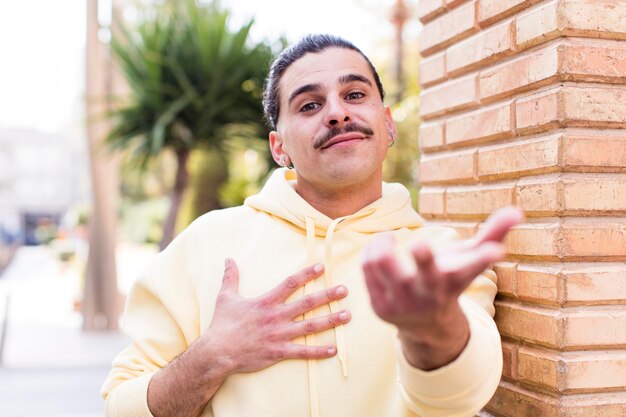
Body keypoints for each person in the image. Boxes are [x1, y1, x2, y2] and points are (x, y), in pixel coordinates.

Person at [101, 34, 524, 417]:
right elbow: (121, 407)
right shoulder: (204, 244)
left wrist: (431, 328)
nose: (337, 113)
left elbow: (461, 398)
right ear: (279, 146)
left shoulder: (440, 258)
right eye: (309, 105)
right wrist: (212, 354)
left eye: (355, 94)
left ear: (388, 122)